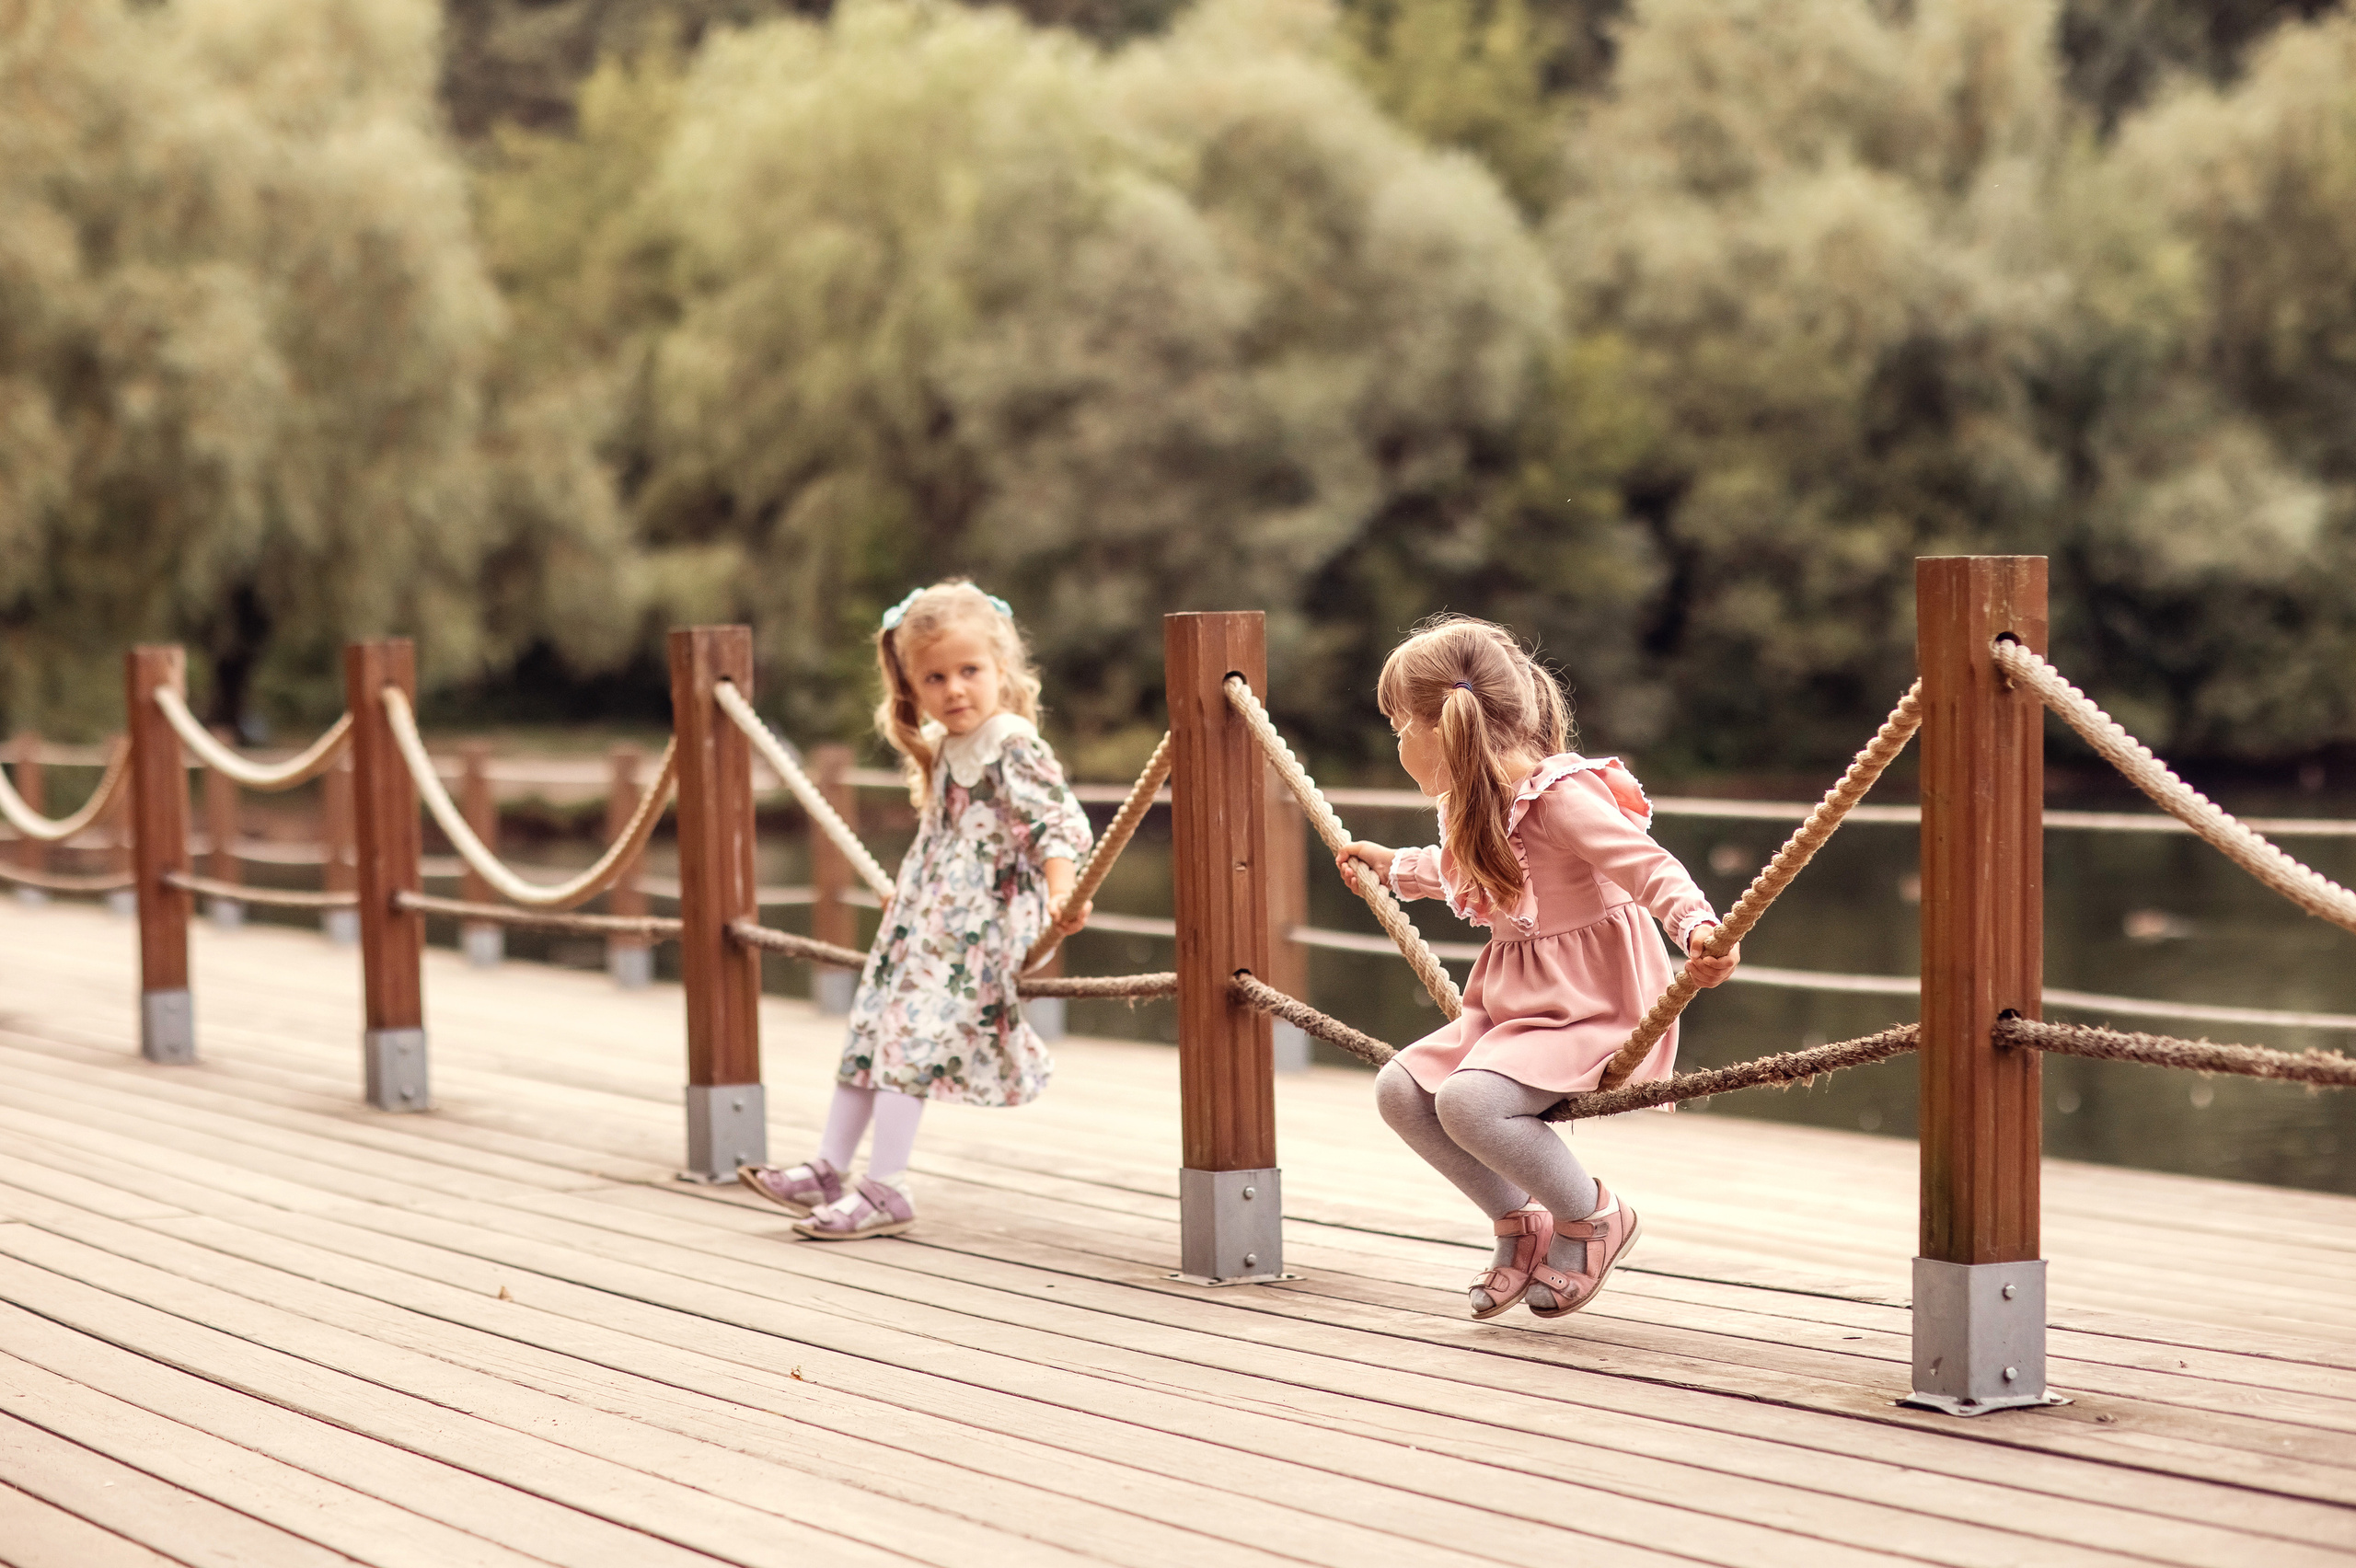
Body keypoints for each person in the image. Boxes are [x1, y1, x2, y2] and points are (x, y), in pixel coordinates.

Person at [1335, 617, 1739, 1320]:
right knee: (1401, 1090)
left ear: (1441, 729)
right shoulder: (1479, 801)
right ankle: (1521, 1223)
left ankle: (1593, 1216)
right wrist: (1393, 867)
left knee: (1468, 1103)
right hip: (1517, 1003)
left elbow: (1647, 867)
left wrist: (1698, 929)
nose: (1396, 744)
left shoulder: (1558, 796)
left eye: (1399, 727)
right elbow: (1471, 872)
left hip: (1592, 1000)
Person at [737, 581, 1093, 1239]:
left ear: (1001, 667)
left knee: (908, 1041)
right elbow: (946, 835)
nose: (954, 689)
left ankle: (886, 1188)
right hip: (926, 922)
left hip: (976, 930)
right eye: (935, 677)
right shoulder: (946, 743)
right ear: (912, 685)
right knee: (871, 1032)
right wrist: (913, 889)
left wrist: (1062, 892)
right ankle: (828, 1167)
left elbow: (1057, 823)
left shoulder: (1010, 740)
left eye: (969, 671)